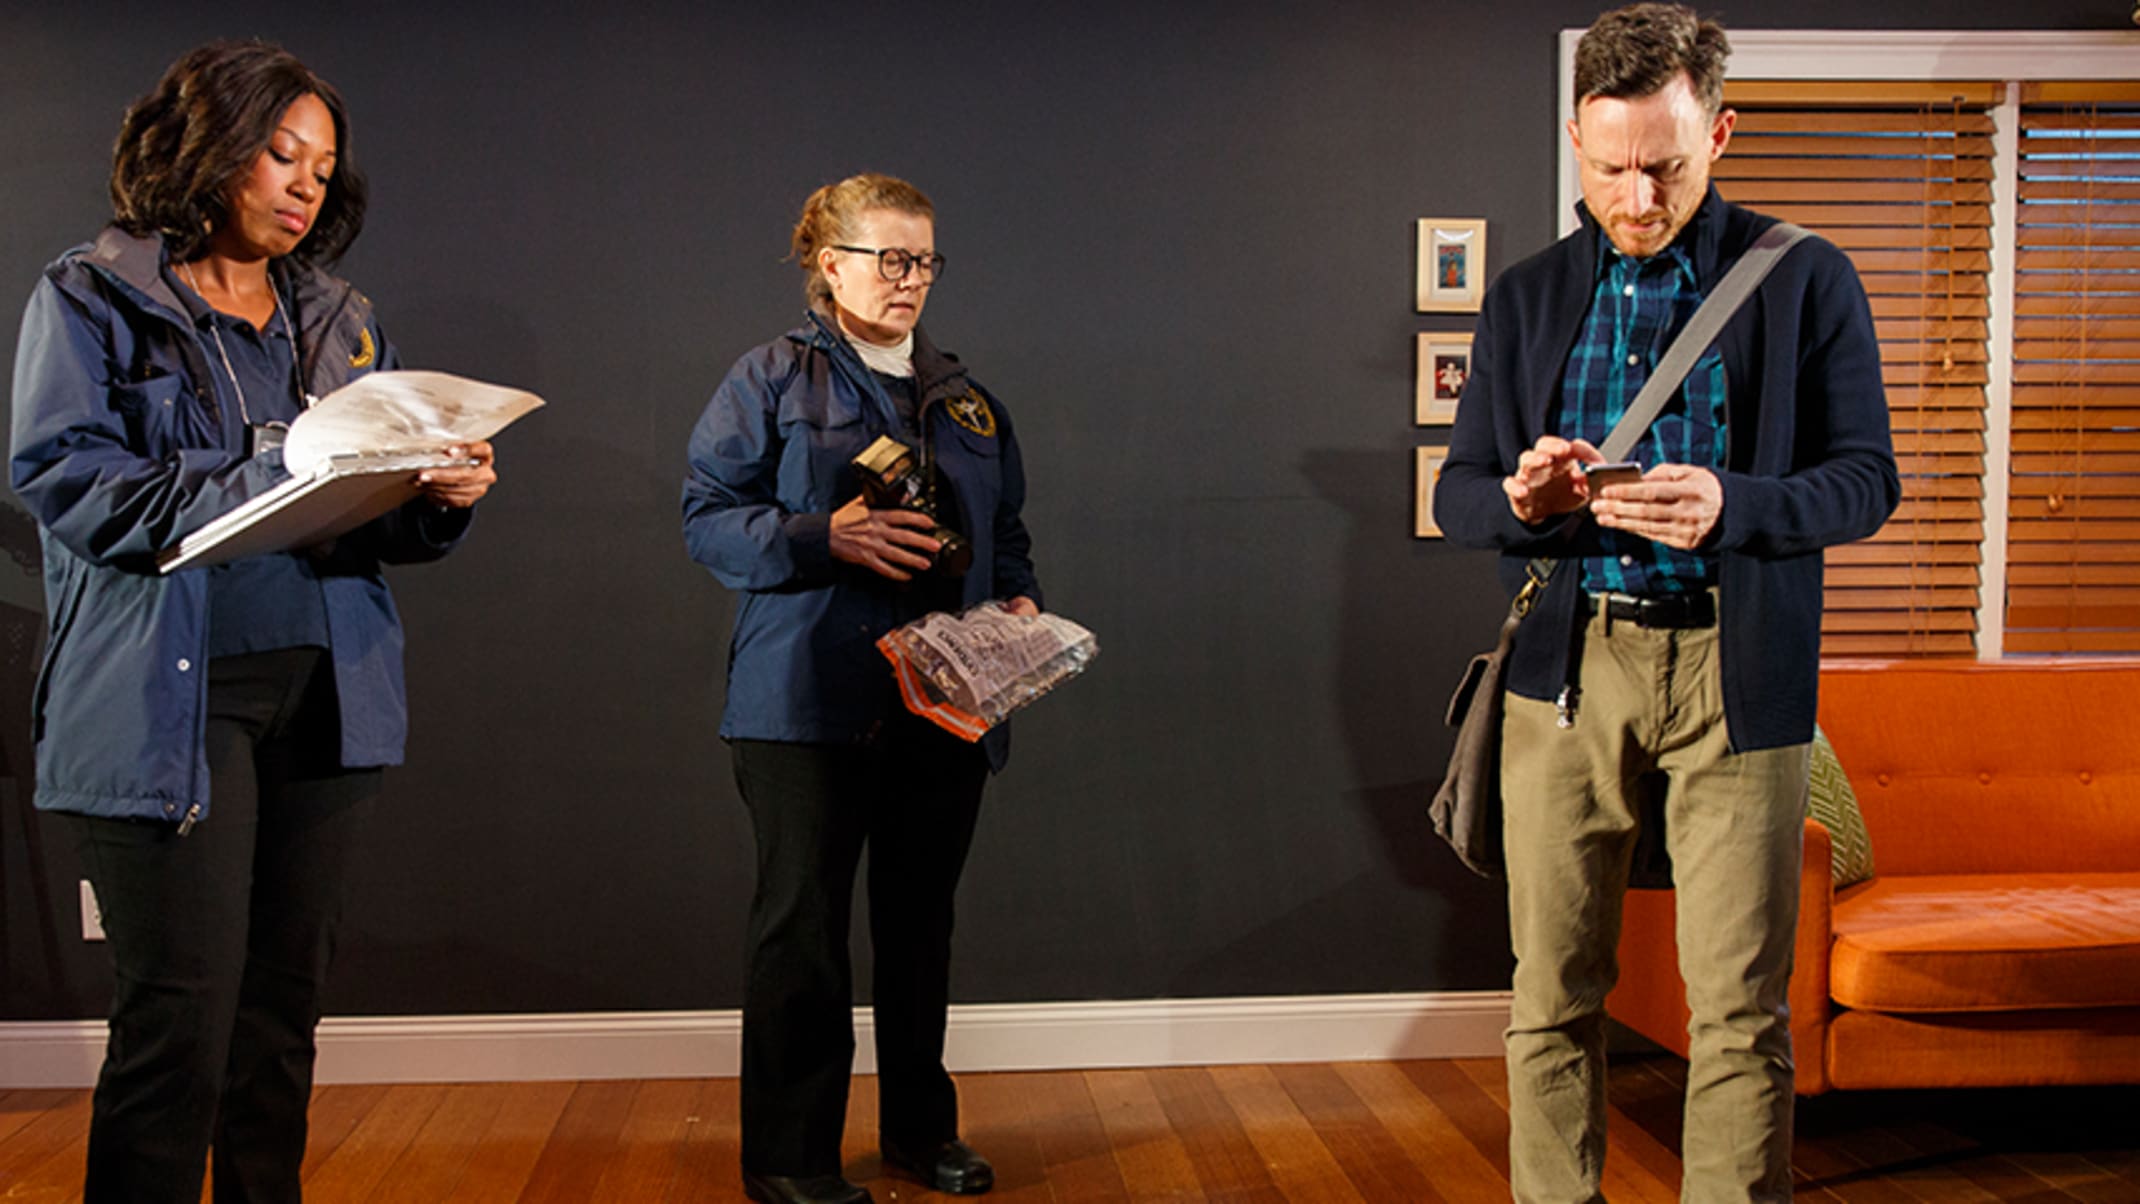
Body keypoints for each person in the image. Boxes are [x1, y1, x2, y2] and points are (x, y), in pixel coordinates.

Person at [8, 41, 497, 1203]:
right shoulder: (87, 295)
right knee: (178, 1025)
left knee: (281, 1019)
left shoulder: (338, 314)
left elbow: (356, 522)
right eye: (279, 153)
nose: (303, 183)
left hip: (323, 690)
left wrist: (432, 497)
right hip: (162, 702)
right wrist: (279, 460)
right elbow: (71, 484)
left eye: (322, 168)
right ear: (206, 147)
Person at [1434, 5, 1899, 1201]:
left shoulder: (1807, 280)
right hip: (1568, 667)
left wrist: (1735, 505)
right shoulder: (1529, 294)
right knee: (1550, 996)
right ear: (1574, 142)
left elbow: (1867, 481)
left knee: (1741, 1011)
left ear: (1721, 132)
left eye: (1666, 167)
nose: (1635, 198)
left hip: (1737, 677)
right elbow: (1460, 492)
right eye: (1608, 169)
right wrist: (1527, 499)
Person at [682, 173, 1041, 1204]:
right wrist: (816, 534)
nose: (909, 279)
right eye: (889, 257)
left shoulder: (969, 399)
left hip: (944, 701)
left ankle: (921, 1135)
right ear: (826, 264)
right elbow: (705, 516)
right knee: (800, 931)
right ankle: (789, 1157)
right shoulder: (767, 379)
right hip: (805, 707)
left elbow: (1005, 534)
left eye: (924, 259)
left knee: (921, 924)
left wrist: (1018, 604)